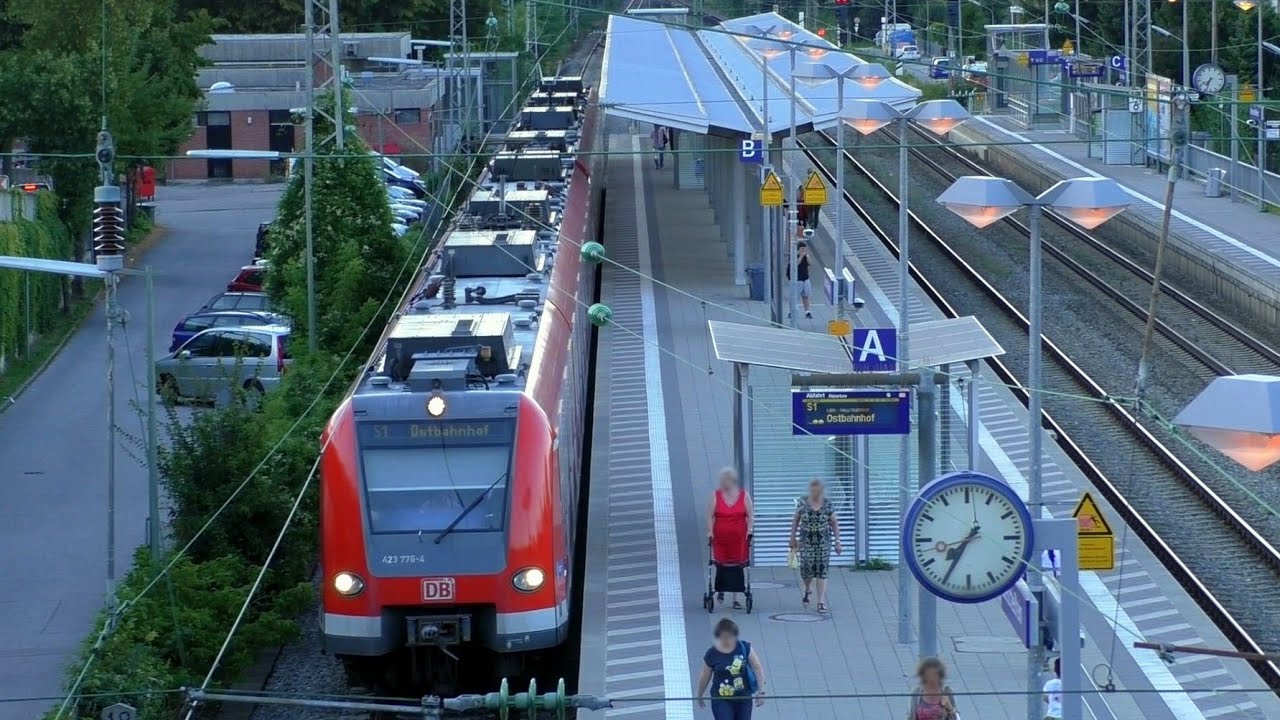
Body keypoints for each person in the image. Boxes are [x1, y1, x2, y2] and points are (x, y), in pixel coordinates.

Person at [695, 618, 767, 720]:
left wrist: (761, 692)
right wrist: (699, 694)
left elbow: (757, 668)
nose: (727, 640)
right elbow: (705, 676)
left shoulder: (744, 647)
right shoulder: (712, 653)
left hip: (743, 698)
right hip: (721, 699)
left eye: (730, 637)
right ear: (718, 636)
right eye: (724, 637)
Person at [788, 479, 841, 612]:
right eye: (813, 490)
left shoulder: (827, 504)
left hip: (823, 542)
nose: (815, 492)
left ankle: (821, 601)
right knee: (806, 570)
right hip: (806, 542)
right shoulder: (803, 502)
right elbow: (796, 520)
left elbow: (834, 523)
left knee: (822, 570)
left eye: (818, 490)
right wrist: (792, 538)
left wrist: (837, 541)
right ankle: (807, 588)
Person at [707, 467, 753, 610]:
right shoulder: (716, 495)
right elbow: (709, 515)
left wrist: (750, 529)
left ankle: (735, 598)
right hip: (721, 539)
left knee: (737, 565)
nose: (723, 484)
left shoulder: (744, 495)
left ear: (732, 481)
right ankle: (720, 588)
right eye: (722, 481)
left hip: (738, 539)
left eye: (725, 481)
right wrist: (710, 531)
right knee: (721, 564)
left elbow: (751, 515)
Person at [784, 241, 813, 319]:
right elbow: (795, 264)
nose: (803, 251)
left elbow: (810, 263)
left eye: (804, 249)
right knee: (794, 297)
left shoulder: (806, 256)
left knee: (806, 296)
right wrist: (800, 256)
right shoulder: (793, 256)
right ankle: (791, 312)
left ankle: (807, 311)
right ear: (798, 250)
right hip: (796, 280)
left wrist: (807, 256)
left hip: (805, 279)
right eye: (802, 249)